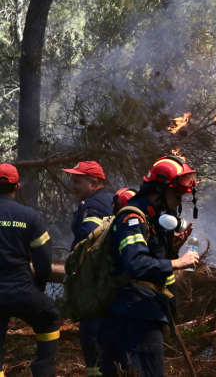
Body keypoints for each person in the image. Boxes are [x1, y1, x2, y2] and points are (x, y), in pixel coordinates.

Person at [98, 156, 199, 377]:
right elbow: (135, 263)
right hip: (135, 313)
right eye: (177, 194)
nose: (179, 200)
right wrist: (178, 262)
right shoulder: (133, 218)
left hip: (143, 311)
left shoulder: (152, 219)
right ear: (159, 189)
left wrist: (172, 251)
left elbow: (151, 264)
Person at [0, 163, 61, 377]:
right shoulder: (29, 216)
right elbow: (43, 262)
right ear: (17, 186)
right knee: (50, 317)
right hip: (22, 292)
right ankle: (43, 369)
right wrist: (37, 289)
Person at [64, 160, 113, 376]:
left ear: (94, 183)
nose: (72, 186)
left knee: (91, 338)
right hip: (109, 284)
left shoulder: (92, 206)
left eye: (77, 182)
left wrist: (73, 264)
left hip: (95, 286)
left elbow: (88, 240)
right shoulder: (111, 200)